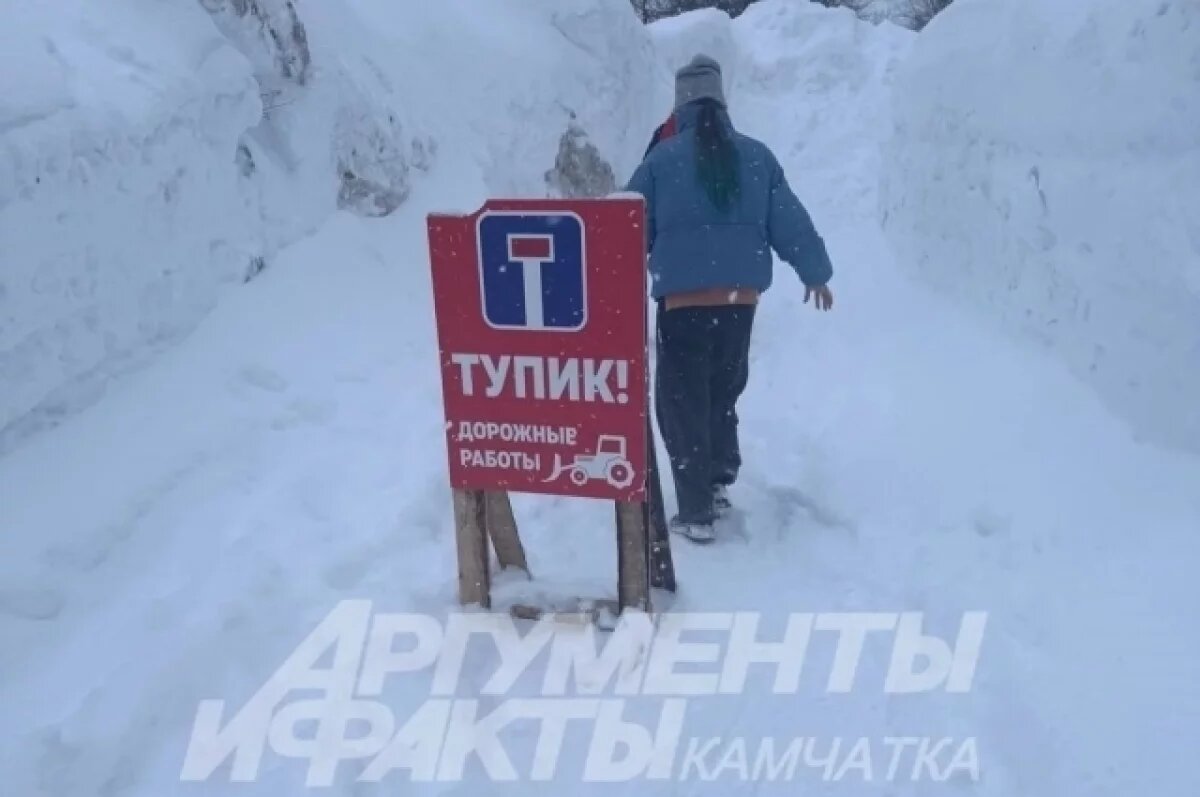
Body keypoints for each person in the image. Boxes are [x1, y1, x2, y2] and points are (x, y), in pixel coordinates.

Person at [625, 54, 835, 544]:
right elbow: (789, 220)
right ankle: (717, 483)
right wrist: (816, 273)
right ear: (721, 102)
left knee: (683, 404)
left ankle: (696, 512)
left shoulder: (661, 160)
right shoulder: (757, 156)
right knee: (721, 395)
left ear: (681, 104)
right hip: (740, 303)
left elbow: (628, 227)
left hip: (683, 306)